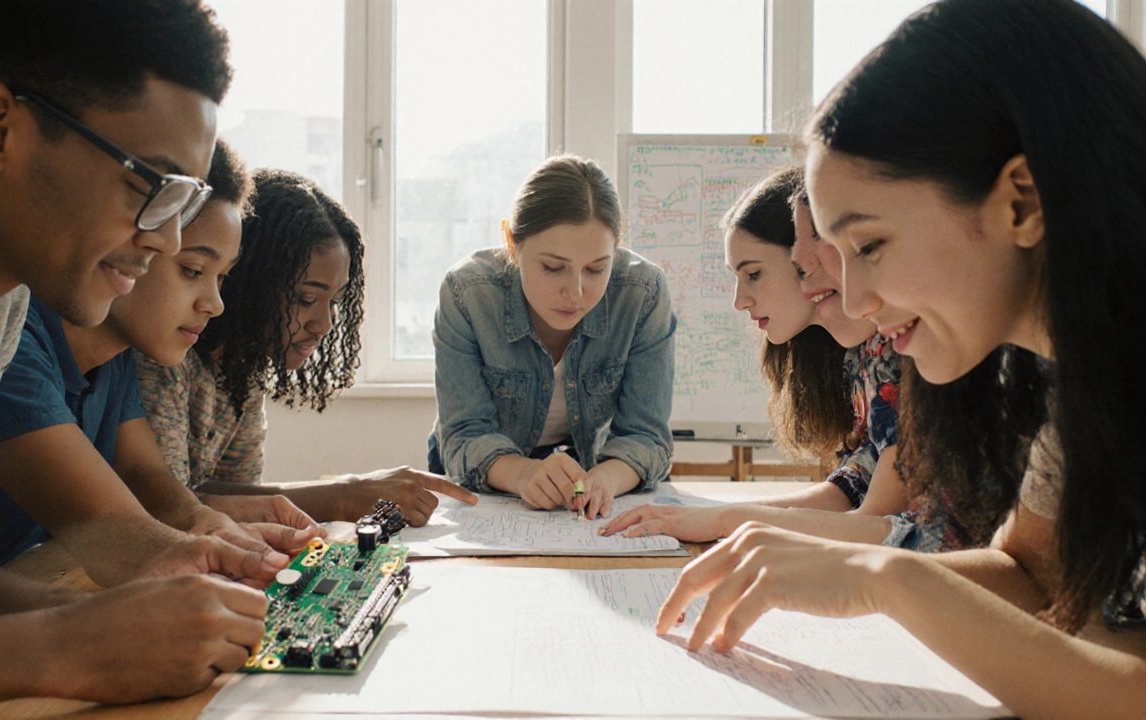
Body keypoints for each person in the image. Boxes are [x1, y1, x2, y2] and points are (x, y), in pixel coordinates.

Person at [657, 2, 1145, 717]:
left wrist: (889, 578)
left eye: (870, 246)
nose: (853, 303)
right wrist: (854, 568)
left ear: (1021, 201)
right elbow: (1030, 571)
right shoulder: (1076, 384)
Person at [0, 2, 272, 716]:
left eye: (187, 200)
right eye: (152, 186)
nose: (169, 241)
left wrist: (90, 619)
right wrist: (59, 648)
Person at [0, 140, 320, 587]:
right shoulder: (15, 337)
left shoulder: (116, 358)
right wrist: (218, 555)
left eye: (223, 278)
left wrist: (206, 525)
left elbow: (145, 477)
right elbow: (107, 529)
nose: (216, 304)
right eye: (193, 270)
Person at [137, 169, 477, 526]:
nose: (325, 324)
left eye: (334, 301)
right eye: (306, 298)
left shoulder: (242, 370)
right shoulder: (164, 355)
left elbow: (234, 499)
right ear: (248, 279)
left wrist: (346, 493)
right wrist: (344, 496)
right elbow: (168, 511)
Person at [603, 168, 908, 543]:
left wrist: (725, 520)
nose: (739, 301)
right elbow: (851, 491)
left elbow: (875, 522)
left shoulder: (892, 344)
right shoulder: (856, 355)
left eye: (754, 274)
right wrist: (717, 516)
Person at [428, 155, 676, 519]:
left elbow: (647, 437)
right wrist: (521, 472)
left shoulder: (643, 293)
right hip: (486, 476)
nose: (575, 292)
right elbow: (464, 434)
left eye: (596, 269)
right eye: (553, 267)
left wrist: (605, 479)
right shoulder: (467, 293)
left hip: (586, 470)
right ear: (512, 244)